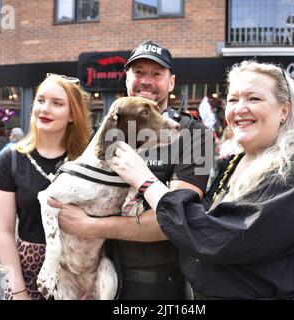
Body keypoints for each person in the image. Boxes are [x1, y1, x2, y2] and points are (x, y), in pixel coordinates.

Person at [106, 61, 294, 299]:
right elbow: (202, 222)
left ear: (284, 111)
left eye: (254, 99)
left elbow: (215, 236)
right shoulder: (233, 164)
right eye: (233, 99)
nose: (240, 108)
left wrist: (145, 180)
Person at [48, 40, 211, 300]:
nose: (146, 80)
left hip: (156, 285)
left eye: (156, 74)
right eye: (138, 72)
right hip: (99, 277)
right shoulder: (107, 130)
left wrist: (89, 226)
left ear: (171, 82)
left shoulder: (197, 136)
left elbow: (180, 220)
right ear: (126, 79)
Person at [0, 73, 92, 300]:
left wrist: (91, 282)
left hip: (79, 271)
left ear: (72, 115)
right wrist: (18, 292)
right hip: (27, 274)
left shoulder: (87, 162)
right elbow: (3, 233)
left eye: (57, 104)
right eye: (40, 100)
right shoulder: (10, 160)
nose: (45, 108)